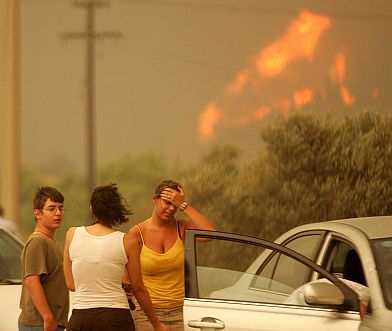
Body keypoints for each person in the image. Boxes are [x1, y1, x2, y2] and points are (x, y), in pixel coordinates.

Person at [63, 183, 168, 331]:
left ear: (91, 208)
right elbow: (138, 289)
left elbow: (71, 284)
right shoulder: (128, 242)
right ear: (117, 211)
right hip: (116, 317)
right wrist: (157, 325)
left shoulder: (72, 234)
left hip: (81, 318)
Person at [127, 179, 215, 331]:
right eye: (167, 202)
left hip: (180, 312)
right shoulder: (137, 233)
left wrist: (184, 205)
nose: (171, 209)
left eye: (175, 205)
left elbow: (211, 234)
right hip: (146, 313)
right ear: (155, 199)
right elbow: (128, 278)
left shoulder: (182, 228)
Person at [18, 186, 69, 331]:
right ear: (37, 213)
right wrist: (48, 318)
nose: (58, 213)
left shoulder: (50, 241)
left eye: (61, 208)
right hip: (39, 324)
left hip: (51, 323)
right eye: (51, 208)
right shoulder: (38, 242)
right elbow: (32, 281)